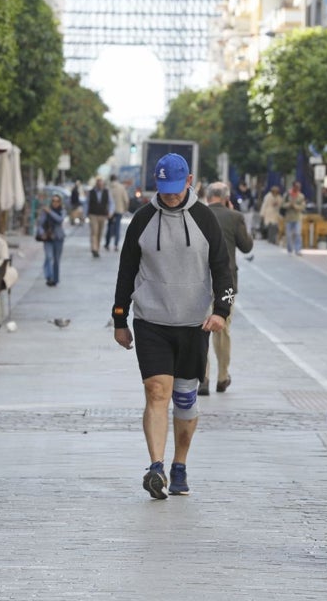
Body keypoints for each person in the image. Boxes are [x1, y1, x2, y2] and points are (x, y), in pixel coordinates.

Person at [111, 153, 233, 499]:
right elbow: (126, 272)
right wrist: (120, 319)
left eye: (176, 189)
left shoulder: (205, 219)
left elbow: (222, 269)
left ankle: (180, 463)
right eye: (164, 189)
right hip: (151, 321)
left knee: (184, 399)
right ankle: (156, 466)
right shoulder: (142, 220)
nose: (171, 195)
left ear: (190, 181)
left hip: (194, 323)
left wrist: (221, 310)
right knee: (156, 393)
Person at [200, 181, 253, 396]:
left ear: (208, 196)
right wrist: (236, 217)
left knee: (200, 328)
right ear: (226, 198)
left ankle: (202, 378)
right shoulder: (235, 217)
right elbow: (247, 246)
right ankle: (223, 376)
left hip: (199, 281)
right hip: (227, 282)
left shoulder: (198, 214)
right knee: (222, 327)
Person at [38, 194, 67, 286]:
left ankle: (55, 279)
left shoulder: (62, 211)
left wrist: (50, 211)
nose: (55, 203)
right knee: (49, 257)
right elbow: (40, 224)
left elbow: (60, 219)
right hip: (48, 238)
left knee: (56, 260)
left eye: (57, 201)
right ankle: (49, 277)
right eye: (53, 201)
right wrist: (42, 233)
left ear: (60, 202)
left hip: (58, 238)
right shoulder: (45, 211)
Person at [281, 181, 307, 255]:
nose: (298, 188)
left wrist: (295, 206)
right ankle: (289, 249)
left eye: (299, 187)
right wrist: (289, 204)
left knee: (298, 234)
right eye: (297, 187)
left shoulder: (301, 196)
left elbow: (303, 206)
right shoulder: (287, 195)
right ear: (293, 187)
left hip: (297, 218)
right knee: (288, 235)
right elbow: (282, 205)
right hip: (288, 218)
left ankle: (298, 249)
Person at [105, 175, 130, 252]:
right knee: (117, 227)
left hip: (110, 211)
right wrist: (125, 209)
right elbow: (126, 200)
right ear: (116, 179)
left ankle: (107, 244)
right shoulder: (121, 187)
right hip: (119, 210)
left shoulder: (107, 188)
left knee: (109, 227)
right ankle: (116, 245)